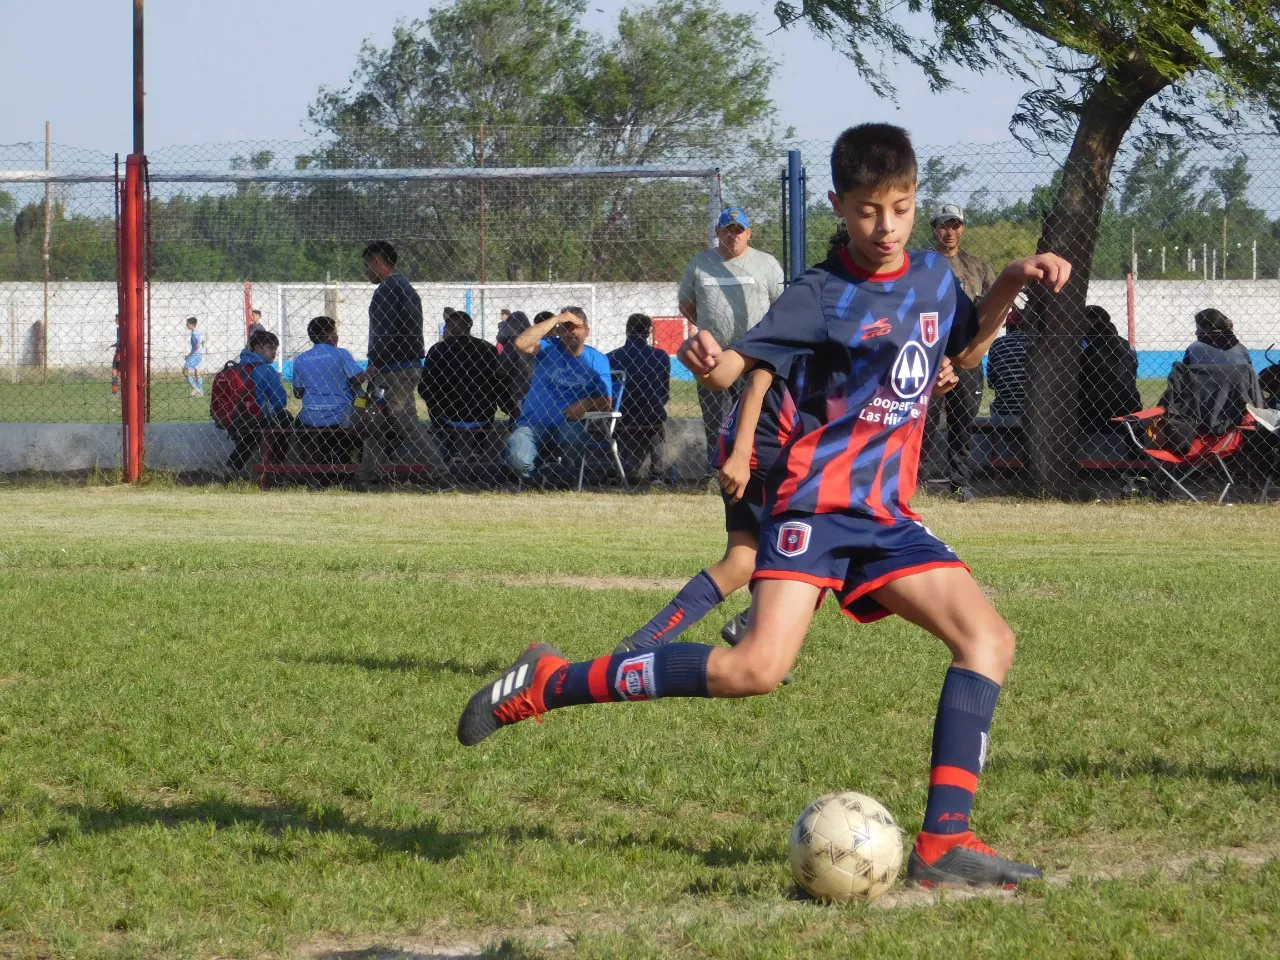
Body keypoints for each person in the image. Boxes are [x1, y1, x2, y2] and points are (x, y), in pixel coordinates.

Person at [459, 123, 1074, 891]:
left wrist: (1012, 279)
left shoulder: (932, 277)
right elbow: (736, 370)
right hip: (814, 508)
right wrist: (714, 364)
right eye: (867, 212)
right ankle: (553, 680)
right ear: (838, 206)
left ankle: (945, 844)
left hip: (884, 516)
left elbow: (962, 351)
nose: (886, 228)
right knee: (755, 668)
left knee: (988, 641)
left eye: (902, 208)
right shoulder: (819, 294)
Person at [679, 207, 784, 473]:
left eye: (738, 231)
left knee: (757, 414)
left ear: (749, 233)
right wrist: (710, 331)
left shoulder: (766, 263)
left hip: (753, 356)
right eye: (727, 230)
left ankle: (756, 467)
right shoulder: (700, 263)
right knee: (715, 416)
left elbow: (780, 306)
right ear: (718, 233)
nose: (732, 236)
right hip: (711, 357)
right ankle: (716, 472)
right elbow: (687, 305)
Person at [921, 203, 998, 501]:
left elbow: (996, 307)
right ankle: (919, 481)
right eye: (943, 225)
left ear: (962, 228)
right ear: (934, 229)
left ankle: (960, 483)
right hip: (931, 354)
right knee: (925, 421)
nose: (949, 231)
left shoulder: (977, 266)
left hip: (965, 356)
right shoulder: (924, 264)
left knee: (962, 421)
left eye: (954, 224)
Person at [504, 307, 612, 482]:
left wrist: (586, 403)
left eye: (575, 326)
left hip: (569, 424)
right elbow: (521, 343)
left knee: (573, 436)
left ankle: (565, 479)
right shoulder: (547, 347)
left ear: (587, 331)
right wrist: (556, 319)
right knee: (517, 457)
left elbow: (606, 403)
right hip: (533, 424)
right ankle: (537, 480)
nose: (570, 331)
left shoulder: (597, 360)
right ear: (559, 330)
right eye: (565, 327)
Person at [291, 315, 384, 486]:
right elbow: (357, 379)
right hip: (341, 416)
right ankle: (354, 469)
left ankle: (311, 472)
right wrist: (368, 372)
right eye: (335, 332)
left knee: (301, 424)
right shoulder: (341, 354)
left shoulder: (301, 359)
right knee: (365, 417)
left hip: (310, 418)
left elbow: (297, 393)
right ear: (328, 335)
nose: (337, 336)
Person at [362, 240, 429, 463]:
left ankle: (441, 474)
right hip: (403, 366)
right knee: (374, 421)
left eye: (367, 265)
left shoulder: (385, 291)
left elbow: (385, 332)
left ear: (377, 262)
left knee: (406, 423)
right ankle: (366, 475)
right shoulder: (406, 288)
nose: (366, 271)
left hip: (393, 371)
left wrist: (375, 362)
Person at [420, 310, 504, 463]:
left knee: (431, 396)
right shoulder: (488, 349)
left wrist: (434, 402)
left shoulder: (438, 349)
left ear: (451, 328)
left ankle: (452, 447)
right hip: (482, 415)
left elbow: (425, 387)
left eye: (446, 326)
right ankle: (477, 447)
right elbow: (499, 384)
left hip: (446, 415)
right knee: (489, 393)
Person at [606, 313, 671, 481]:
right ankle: (656, 473)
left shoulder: (611, 357)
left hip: (621, 416)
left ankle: (620, 469)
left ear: (627, 330)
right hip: (651, 414)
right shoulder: (661, 356)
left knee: (621, 427)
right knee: (657, 424)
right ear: (649, 332)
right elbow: (664, 391)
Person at [227, 329, 292, 473]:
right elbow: (279, 400)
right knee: (286, 418)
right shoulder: (266, 370)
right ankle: (277, 461)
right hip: (257, 416)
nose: (274, 352)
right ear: (257, 348)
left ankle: (233, 468)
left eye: (275, 348)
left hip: (233, 416)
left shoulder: (237, 367)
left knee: (250, 437)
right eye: (270, 347)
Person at [1078, 306, 1140, 431]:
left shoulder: (1085, 344)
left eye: (1082, 320)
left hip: (1093, 410)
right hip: (1129, 405)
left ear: (1091, 322)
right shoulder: (1126, 344)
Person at [985, 297, 1030, 425]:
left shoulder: (998, 344)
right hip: (1032, 410)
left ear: (1009, 327)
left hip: (1004, 412)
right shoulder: (1035, 343)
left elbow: (991, 383)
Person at [496, 310, 536, 417]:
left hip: (520, 391)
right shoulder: (536, 339)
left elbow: (501, 370)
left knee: (520, 419)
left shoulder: (513, 342)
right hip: (536, 389)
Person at [1182, 308, 1252, 367]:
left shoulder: (1194, 349)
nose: (1196, 333)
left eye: (1198, 328)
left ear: (1207, 328)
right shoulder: (1241, 349)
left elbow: (1183, 378)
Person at [184, 317, 205, 397]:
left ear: (192, 324)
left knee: (185, 371)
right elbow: (203, 340)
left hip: (195, 354)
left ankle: (197, 389)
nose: (186, 325)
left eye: (188, 324)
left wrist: (190, 355)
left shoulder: (195, 333)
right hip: (199, 354)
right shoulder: (198, 331)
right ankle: (201, 393)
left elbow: (197, 344)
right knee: (197, 373)